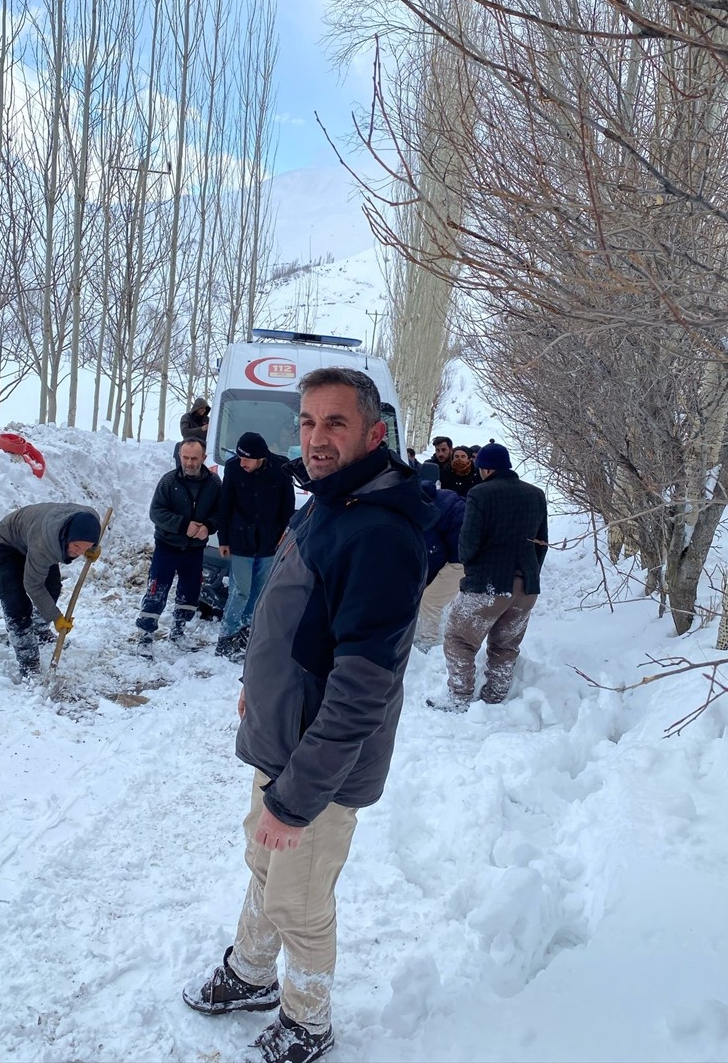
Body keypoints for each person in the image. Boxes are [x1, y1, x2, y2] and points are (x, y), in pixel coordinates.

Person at [183, 367, 431, 1063]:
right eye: (308, 421)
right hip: (282, 741)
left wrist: (295, 803)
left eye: (336, 423)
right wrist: (255, 686)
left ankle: (307, 1022)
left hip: (318, 769)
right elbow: (288, 614)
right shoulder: (326, 502)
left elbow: (361, 692)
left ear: (375, 434)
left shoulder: (379, 534)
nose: (317, 438)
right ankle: (251, 973)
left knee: (299, 898)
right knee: (263, 866)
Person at [436, 443, 548, 712]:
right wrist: (529, 574)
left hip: (487, 583)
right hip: (526, 587)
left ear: (485, 469)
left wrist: (471, 569)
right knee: (506, 646)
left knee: (459, 639)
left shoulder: (480, 493)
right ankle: (495, 698)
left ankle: (459, 698)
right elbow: (541, 543)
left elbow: (468, 543)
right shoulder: (536, 495)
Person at [0, 503, 101, 678]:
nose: (79, 553)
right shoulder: (46, 544)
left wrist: (92, 549)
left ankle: (39, 629)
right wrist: (55, 617)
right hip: (8, 542)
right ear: (67, 536)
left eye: (84, 548)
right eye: (76, 546)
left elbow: (88, 536)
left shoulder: (90, 518)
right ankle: (28, 661)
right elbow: (33, 585)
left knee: (52, 588)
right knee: (16, 602)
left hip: (34, 536)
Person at [215, 431, 295, 661]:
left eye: (247, 459)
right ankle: (226, 636)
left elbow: (287, 507)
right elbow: (225, 504)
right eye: (240, 457)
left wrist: (284, 536)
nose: (242, 463)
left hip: (269, 542)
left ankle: (246, 632)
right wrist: (223, 539)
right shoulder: (233, 468)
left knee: (259, 592)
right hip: (241, 540)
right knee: (240, 591)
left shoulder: (280, 469)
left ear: (261, 457)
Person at [135, 438, 221, 648]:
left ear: (203, 457)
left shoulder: (214, 483)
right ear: (179, 457)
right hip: (167, 547)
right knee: (157, 590)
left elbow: (221, 512)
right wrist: (183, 525)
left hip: (195, 550)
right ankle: (145, 636)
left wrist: (209, 526)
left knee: (190, 591)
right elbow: (156, 513)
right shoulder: (168, 481)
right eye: (185, 458)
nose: (189, 463)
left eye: (194, 458)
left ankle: (178, 631)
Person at [416, 462, 466, 648]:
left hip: (464, 558)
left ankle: (429, 644)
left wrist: (429, 579)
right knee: (429, 594)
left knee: (430, 600)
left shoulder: (425, 510)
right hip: (461, 551)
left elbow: (435, 550)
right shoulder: (427, 498)